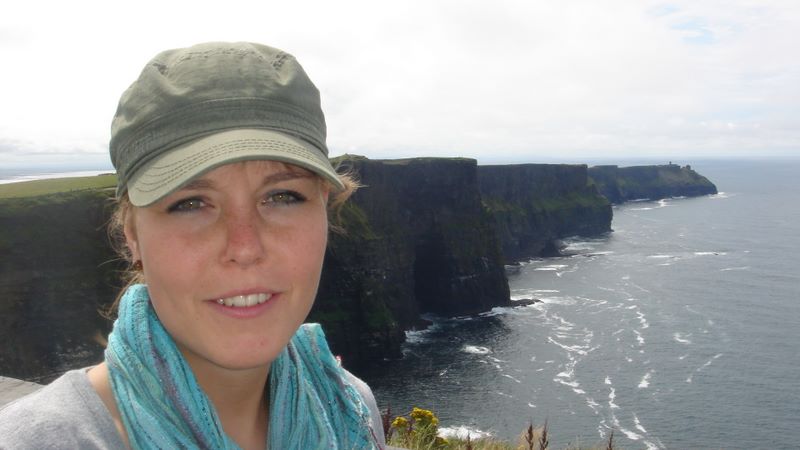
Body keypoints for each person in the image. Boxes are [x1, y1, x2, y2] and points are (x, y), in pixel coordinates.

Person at [0, 41, 394, 449]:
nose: (245, 247)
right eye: (190, 204)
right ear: (132, 234)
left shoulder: (351, 407)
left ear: (324, 211)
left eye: (282, 196)